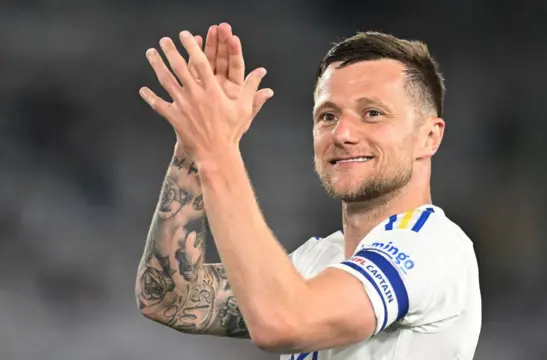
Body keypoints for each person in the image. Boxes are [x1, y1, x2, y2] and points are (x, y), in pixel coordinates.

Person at [135, 22, 482, 360]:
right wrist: (193, 145)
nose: (342, 133)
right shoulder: (319, 260)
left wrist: (216, 149)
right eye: (328, 116)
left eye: (372, 113)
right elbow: (169, 299)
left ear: (429, 137)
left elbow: (284, 323)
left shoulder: (431, 247)